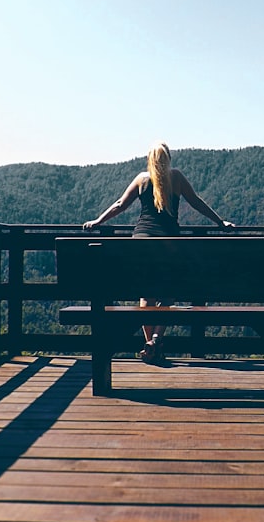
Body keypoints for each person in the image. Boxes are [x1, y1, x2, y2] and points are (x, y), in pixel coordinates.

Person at [83, 142, 234, 364]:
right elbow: (196, 203)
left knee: (146, 295)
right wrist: (220, 222)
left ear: (149, 159)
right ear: (168, 159)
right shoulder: (177, 177)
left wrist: (98, 221)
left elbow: (119, 205)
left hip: (141, 242)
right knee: (167, 294)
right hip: (169, 243)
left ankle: (148, 343)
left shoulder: (142, 179)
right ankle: (156, 339)